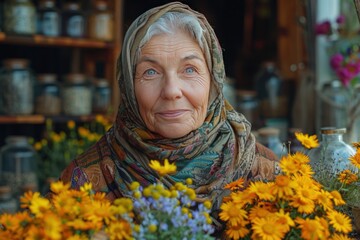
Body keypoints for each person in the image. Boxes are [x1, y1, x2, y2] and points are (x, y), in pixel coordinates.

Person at [58, 1, 279, 231]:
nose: (172, 91)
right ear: (128, 87)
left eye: (190, 69)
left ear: (214, 80)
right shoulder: (84, 183)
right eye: (150, 72)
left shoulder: (266, 174)